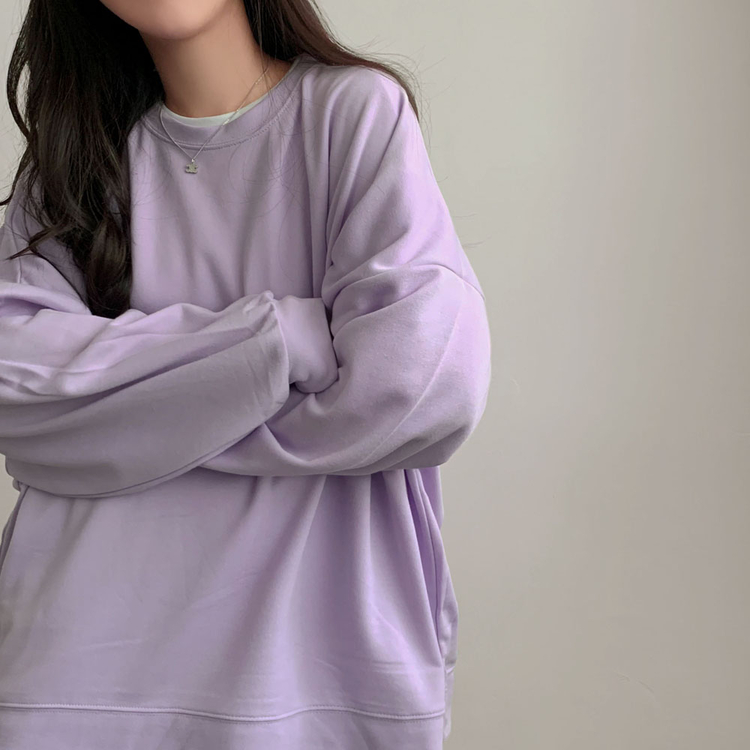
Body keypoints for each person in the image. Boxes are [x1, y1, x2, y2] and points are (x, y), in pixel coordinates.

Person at [0, 0, 492, 747]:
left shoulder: (353, 115)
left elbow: (423, 384)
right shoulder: (74, 165)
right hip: (77, 673)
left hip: (313, 676)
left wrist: (132, 421)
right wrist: (279, 343)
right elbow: (12, 385)